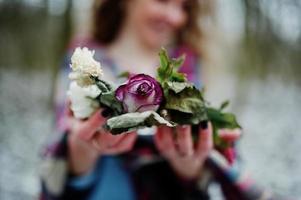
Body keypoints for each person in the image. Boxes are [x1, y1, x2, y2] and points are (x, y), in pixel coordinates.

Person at [40, 0, 282, 199]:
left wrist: (189, 165)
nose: (176, 17)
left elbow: (197, 181)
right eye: (164, 1)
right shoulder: (84, 60)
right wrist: (83, 146)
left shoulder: (188, 65)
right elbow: (60, 167)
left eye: (184, 7)